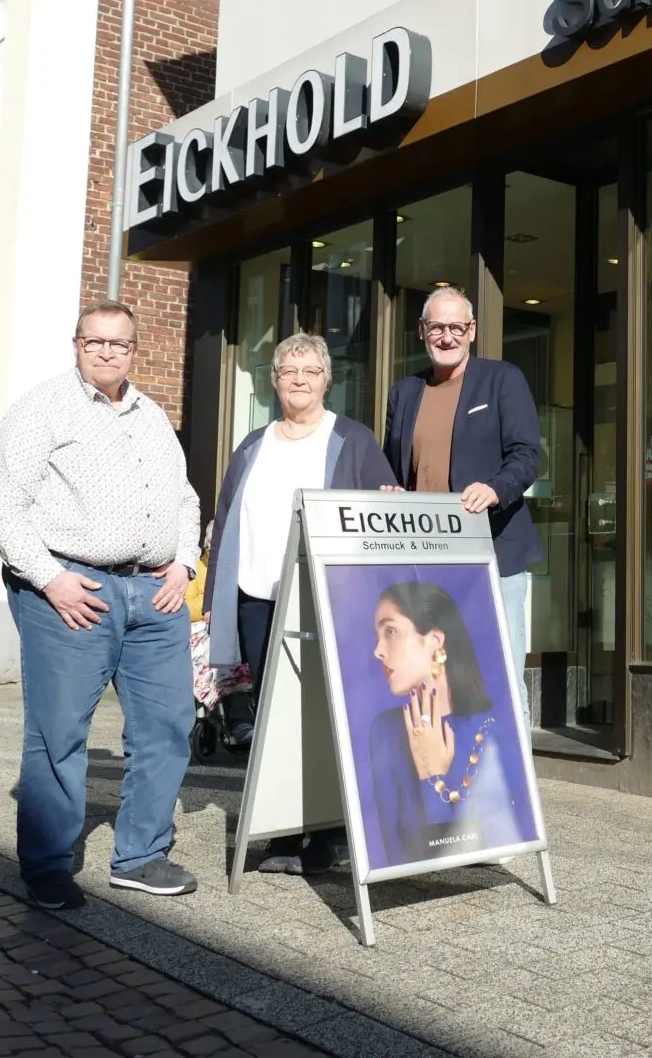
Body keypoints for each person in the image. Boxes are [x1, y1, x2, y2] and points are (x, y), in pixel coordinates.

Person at [0, 301, 202, 911]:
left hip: (154, 595)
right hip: (74, 592)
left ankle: (141, 855)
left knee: (166, 726)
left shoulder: (152, 414)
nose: (106, 352)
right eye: (95, 342)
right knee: (59, 732)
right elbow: (2, 507)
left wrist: (184, 562)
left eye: (119, 344)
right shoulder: (41, 409)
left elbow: (185, 498)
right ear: (76, 343)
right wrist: (51, 580)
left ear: (135, 349)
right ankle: (48, 865)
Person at [208, 331, 396, 872]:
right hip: (258, 597)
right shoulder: (252, 445)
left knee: (328, 709)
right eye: (289, 370)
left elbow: (382, 517)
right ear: (274, 380)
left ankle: (332, 830)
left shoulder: (352, 440)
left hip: (326, 598)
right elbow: (226, 523)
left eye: (310, 371)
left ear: (326, 380)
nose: (298, 379)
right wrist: (216, 597)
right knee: (273, 714)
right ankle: (283, 828)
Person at [382, 289, 543, 725]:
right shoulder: (404, 391)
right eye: (437, 327)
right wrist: (393, 492)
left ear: (472, 331)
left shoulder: (502, 379)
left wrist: (495, 489)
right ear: (422, 331)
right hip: (426, 560)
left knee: (499, 671)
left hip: (494, 554)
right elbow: (396, 470)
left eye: (457, 327)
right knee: (437, 675)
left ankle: (515, 784)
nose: (447, 337)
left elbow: (527, 455)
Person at [366, 581, 526, 865]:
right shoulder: (385, 731)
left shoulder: (492, 733)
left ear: (435, 641)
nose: (378, 650)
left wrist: (431, 776)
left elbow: (491, 843)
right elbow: (395, 856)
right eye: (378, 636)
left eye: (390, 631)